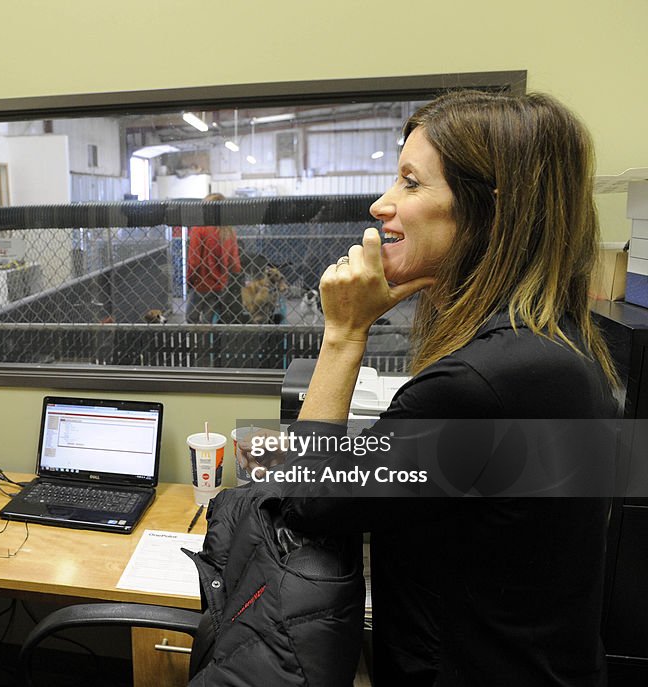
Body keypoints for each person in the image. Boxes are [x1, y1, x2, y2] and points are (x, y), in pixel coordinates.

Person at [242, 91, 618, 686]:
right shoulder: (557, 352)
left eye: (411, 183)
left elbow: (304, 498)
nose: (381, 204)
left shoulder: (479, 386)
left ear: (487, 211)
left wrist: (343, 333)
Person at [187, 192, 243, 324]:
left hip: (200, 283)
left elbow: (194, 260)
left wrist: (190, 280)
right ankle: (206, 342)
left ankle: (198, 342)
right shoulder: (229, 231)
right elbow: (234, 263)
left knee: (190, 317)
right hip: (219, 284)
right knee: (208, 319)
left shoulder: (199, 229)